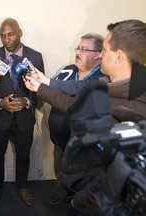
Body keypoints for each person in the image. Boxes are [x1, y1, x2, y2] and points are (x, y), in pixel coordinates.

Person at [24, 19, 146, 215]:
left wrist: (76, 204)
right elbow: (72, 98)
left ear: (119, 57)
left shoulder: (130, 109)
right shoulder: (108, 85)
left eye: (104, 50)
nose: (100, 55)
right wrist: (42, 85)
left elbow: (111, 180)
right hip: (75, 181)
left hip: (88, 203)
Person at [0, 17, 45, 208]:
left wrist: (26, 101)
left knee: (24, 155)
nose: (6, 39)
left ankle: (22, 186)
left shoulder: (35, 56)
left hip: (24, 119)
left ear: (20, 33)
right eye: (2, 36)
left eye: (10, 34)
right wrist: (0, 102)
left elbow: (41, 88)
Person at [49, 33, 104, 178]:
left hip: (83, 152)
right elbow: (49, 92)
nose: (78, 53)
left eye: (84, 49)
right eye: (77, 48)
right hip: (59, 146)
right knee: (60, 181)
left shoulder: (102, 77)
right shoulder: (67, 70)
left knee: (77, 190)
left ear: (98, 54)